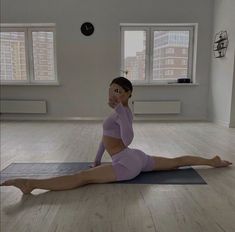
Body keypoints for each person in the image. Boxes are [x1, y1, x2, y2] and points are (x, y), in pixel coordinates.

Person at [0, 77, 232, 194]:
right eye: (111, 89)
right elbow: (106, 136)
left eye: (118, 91)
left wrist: (120, 109)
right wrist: (98, 159)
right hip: (137, 158)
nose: (113, 93)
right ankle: (211, 161)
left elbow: (128, 138)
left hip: (127, 163)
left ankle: (30, 184)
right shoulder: (117, 113)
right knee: (177, 162)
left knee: (82, 177)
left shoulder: (124, 113)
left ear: (128, 93)